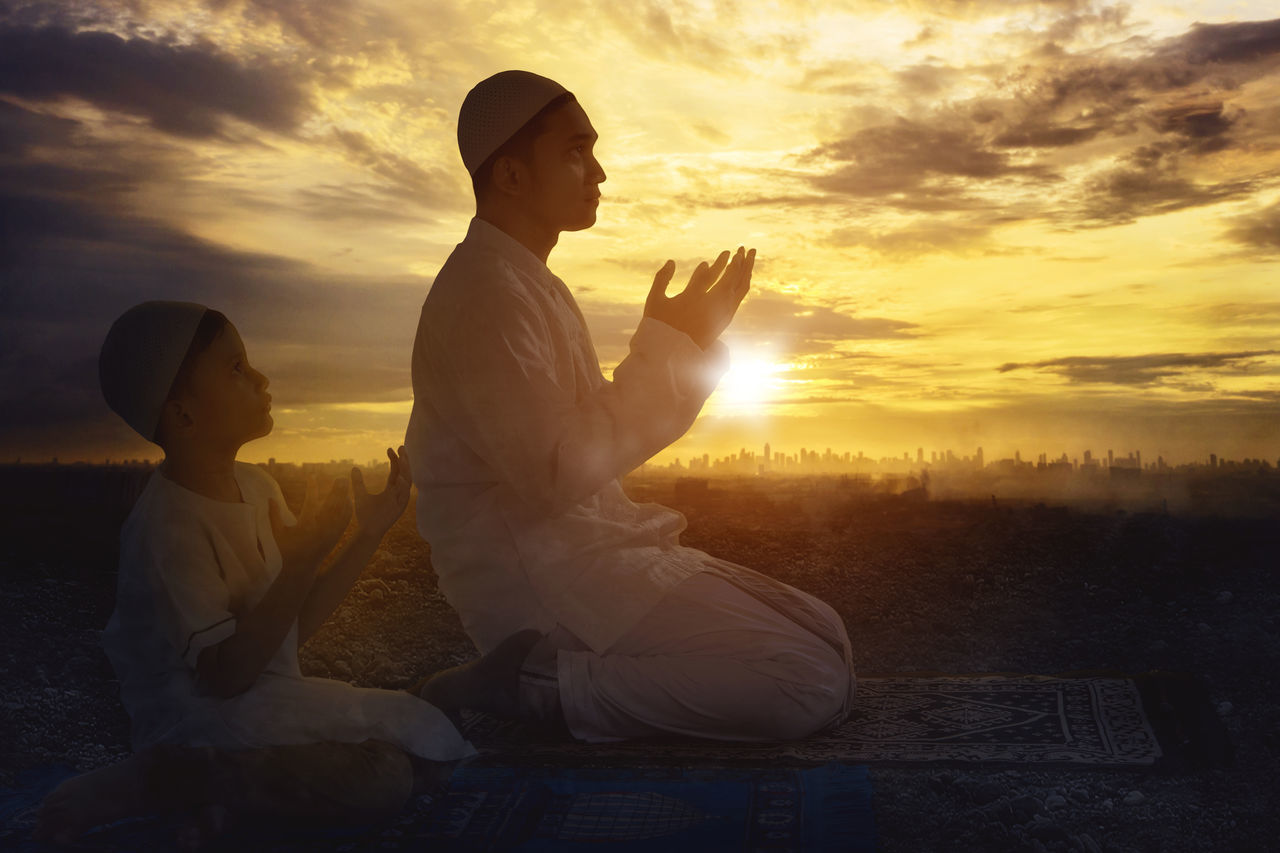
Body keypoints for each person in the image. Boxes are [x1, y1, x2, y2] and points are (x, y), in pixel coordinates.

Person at [406, 70, 855, 744]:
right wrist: (668, 345)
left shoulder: (528, 283)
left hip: (597, 550)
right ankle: (532, 684)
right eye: (575, 151)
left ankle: (569, 678)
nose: (600, 171)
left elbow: (592, 443)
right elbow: (555, 471)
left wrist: (686, 343)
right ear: (512, 176)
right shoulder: (485, 296)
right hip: (542, 578)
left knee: (828, 633)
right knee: (808, 679)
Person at [34, 302, 474, 847]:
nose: (260, 378)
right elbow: (223, 679)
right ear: (182, 414)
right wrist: (300, 558)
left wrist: (367, 534)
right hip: (197, 723)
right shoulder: (166, 526)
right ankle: (159, 780)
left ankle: (223, 810)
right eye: (235, 368)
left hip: (259, 704)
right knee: (384, 779)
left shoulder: (258, 489)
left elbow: (289, 626)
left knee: (423, 758)